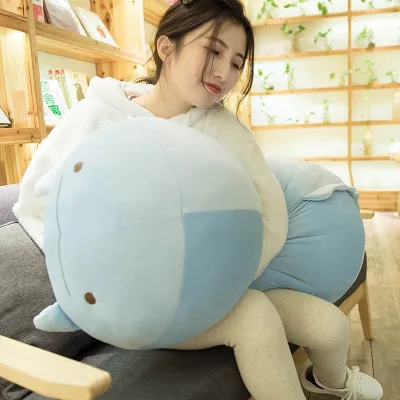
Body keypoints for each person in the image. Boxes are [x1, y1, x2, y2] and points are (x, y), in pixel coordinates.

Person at [13, 0, 383, 399]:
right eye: (213, 51)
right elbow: (37, 198)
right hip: (139, 302)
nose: (224, 72)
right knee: (253, 318)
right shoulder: (99, 115)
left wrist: (226, 278)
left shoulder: (225, 130)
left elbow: (270, 215)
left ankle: (331, 385)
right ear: (166, 47)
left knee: (328, 326)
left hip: (215, 287)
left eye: (237, 62)